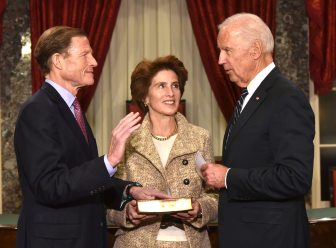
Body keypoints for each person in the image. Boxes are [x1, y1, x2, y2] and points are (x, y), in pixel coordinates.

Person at [14, 26, 168, 248]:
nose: (94, 61)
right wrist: (110, 160)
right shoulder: (37, 110)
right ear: (58, 61)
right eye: (85, 54)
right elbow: (50, 186)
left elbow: (81, 178)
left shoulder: (72, 109)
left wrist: (129, 190)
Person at [201, 13, 315, 248]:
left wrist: (228, 177)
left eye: (227, 50)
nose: (220, 60)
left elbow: (295, 178)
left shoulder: (286, 98)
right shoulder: (251, 96)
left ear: (255, 50)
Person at [107, 55, 218, 248]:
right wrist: (127, 213)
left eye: (175, 86)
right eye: (161, 86)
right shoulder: (127, 140)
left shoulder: (200, 137)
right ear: (145, 96)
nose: (171, 93)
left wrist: (200, 209)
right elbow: (110, 200)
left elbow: (214, 196)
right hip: (137, 243)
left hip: (191, 242)